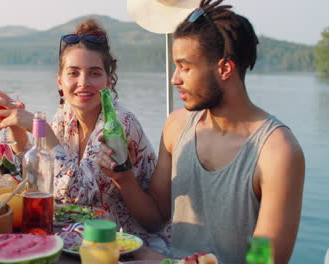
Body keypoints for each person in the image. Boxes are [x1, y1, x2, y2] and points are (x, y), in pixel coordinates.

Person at [98, 0, 305, 263]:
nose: (175, 78)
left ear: (225, 68)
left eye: (185, 67)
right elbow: (155, 219)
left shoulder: (278, 152)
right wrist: (124, 178)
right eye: (175, 66)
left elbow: (265, 260)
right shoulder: (176, 126)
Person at [0, 19, 169, 252]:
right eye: (73, 73)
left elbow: (80, 197)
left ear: (108, 80)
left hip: (128, 245)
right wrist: (19, 134)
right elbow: (44, 179)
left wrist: (42, 130)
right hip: (78, 240)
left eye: (94, 73)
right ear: (60, 81)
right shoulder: (65, 115)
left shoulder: (119, 124)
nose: (83, 83)